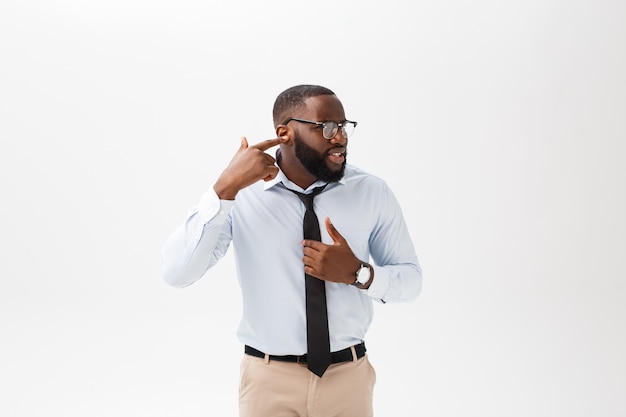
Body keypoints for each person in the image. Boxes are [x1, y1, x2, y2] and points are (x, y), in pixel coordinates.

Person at [161, 84, 422, 416]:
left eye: (343, 126)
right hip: (269, 382)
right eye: (326, 127)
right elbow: (177, 272)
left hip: (349, 380)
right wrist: (224, 187)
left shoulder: (371, 192)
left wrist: (359, 274)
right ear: (285, 132)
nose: (339, 137)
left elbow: (411, 280)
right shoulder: (241, 195)